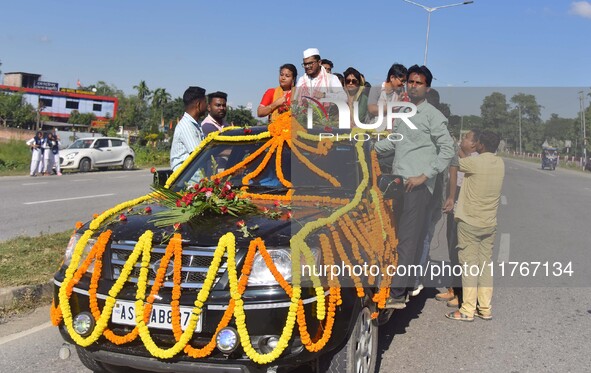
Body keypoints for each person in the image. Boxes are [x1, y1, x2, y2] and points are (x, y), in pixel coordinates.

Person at [374, 65, 455, 309]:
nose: (412, 85)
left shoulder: (433, 116)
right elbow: (394, 142)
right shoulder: (403, 112)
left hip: (417, 188)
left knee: (409, 240)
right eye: (410, 81)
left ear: (427, 87)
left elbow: (448, 150)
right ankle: (403, 283)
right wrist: (368, 147)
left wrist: (425, 176)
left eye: (418, 83)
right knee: (396, 236)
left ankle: (398, 293)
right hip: (397, 184)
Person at [446, 130, 505, 322]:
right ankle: (485, 308)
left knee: (469, 266)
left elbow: (454, 163)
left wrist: (455, 147)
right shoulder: (500, 163)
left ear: (480, 145)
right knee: (485, 266)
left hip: (470, 222)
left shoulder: (474, 162)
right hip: (489, 223)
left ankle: (467, 309)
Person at [437, 130, 480, 306]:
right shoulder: (461, 156)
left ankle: (461, 295)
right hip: (454, 206)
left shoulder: (475, 159)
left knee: (459, 251)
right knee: (451, 248)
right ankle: (453, 289)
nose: (462, 140)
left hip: (463, 207)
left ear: (474, 144)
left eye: (466, 138)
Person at [170, 86, 207, 171]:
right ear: (198, 105)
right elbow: (198, 155)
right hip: (185, 178)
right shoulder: (187, 126)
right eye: (205, 102)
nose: (206, 106)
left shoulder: (195, 125)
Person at [366, 63, 408, 130]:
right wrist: (394, 106)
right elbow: (372, 109)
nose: (403, 84)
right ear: (392, 78)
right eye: (402, 81)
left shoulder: (400, 92)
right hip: (374, 132)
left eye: (405, 82)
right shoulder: (376, 89)